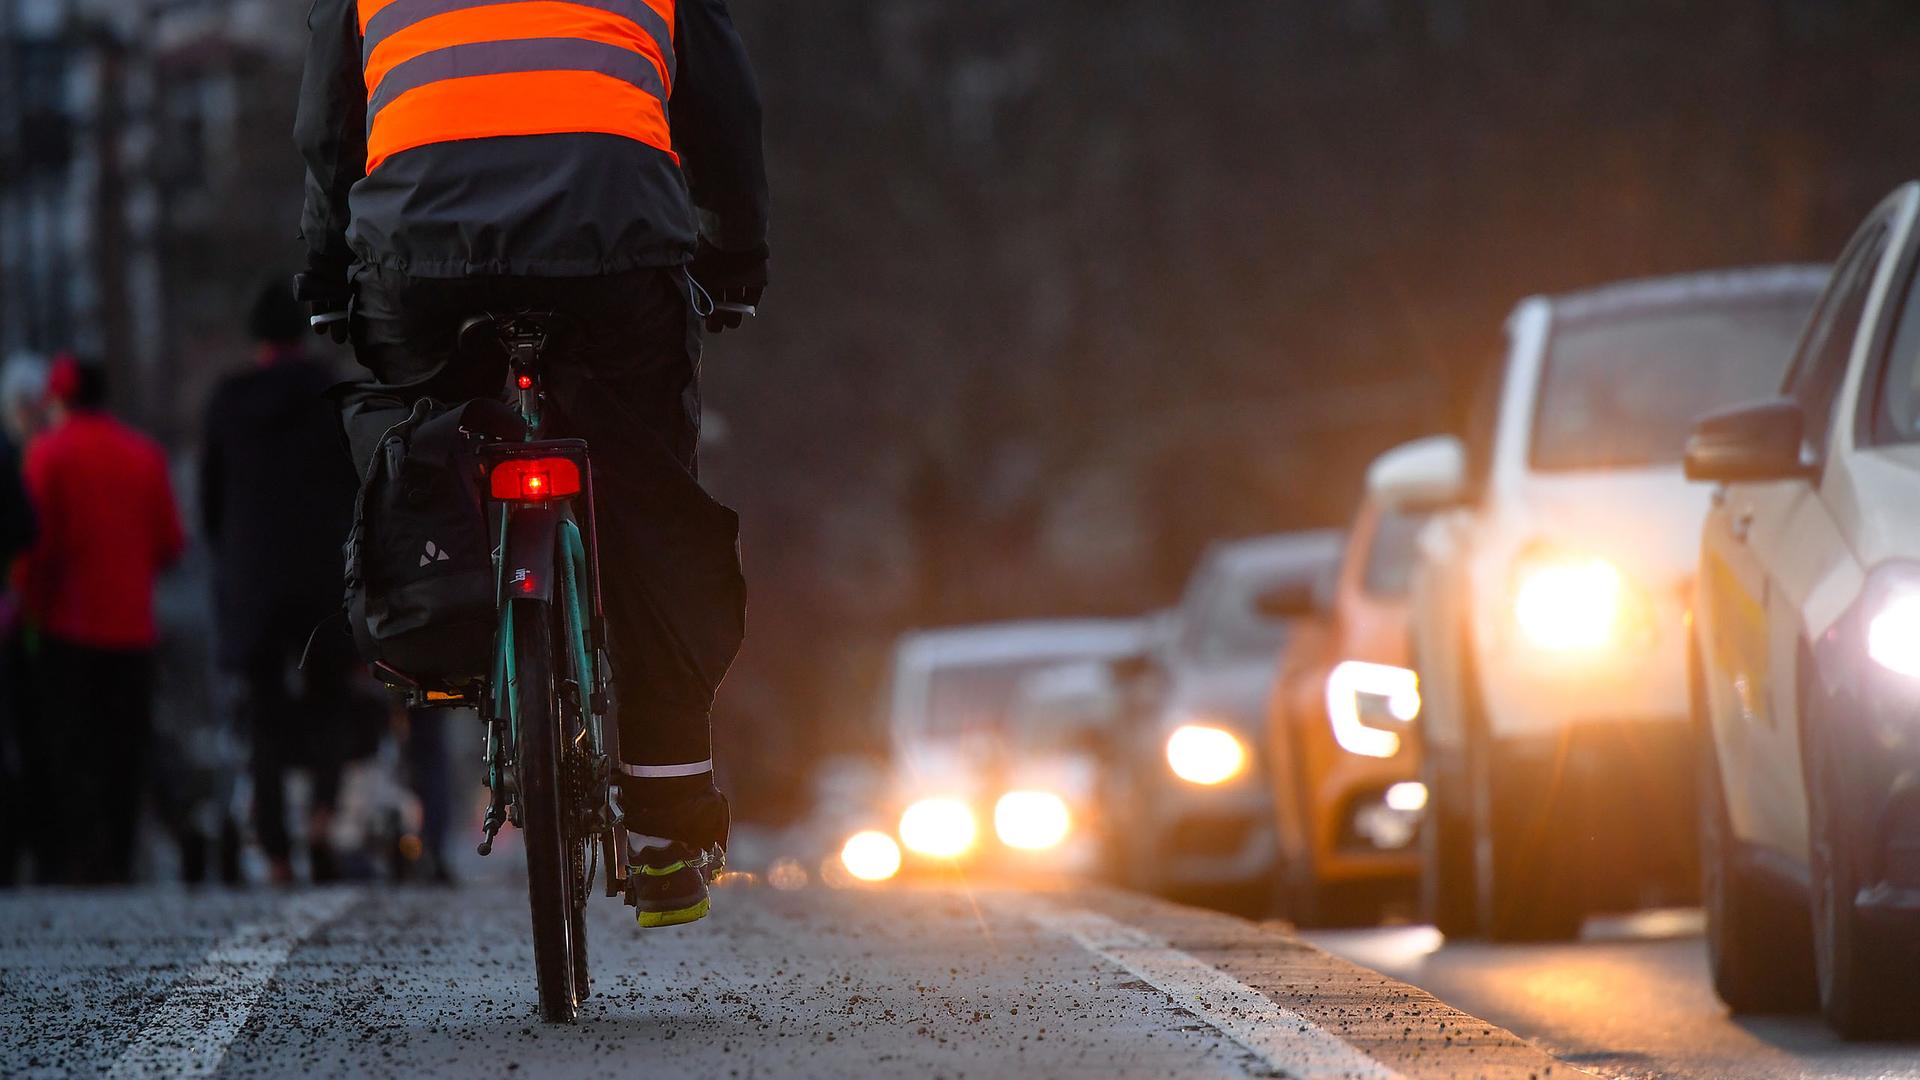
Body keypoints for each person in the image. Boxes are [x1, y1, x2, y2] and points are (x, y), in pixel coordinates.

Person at [295, 0, 768, 926]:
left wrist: (324, 274)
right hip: (617, 250)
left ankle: (446, 602)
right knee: (645, 496)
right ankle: (668, 825)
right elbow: (724, 111)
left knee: (423, 436)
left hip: (420, 261)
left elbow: (326, 131)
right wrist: (737, 260)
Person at [201, 282, 365, 884]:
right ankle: (322, 817)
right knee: (330, 701)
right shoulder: (332, 392)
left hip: (255, 579)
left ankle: (273, 852)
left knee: (264, 716)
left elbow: (211, 504)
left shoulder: (227, 400)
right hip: (323, 572)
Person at [14, 357, 184, 884]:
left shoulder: (47, 454)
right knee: (125, 748)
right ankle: (120, 853)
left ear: (60, 400)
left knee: (72, 746)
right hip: (133, 629)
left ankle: (80, 856)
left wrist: (27, 612)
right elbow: (172, 543)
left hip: (68, 629)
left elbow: (33, 549)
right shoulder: (144, 455)